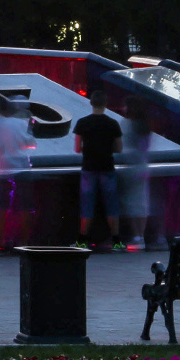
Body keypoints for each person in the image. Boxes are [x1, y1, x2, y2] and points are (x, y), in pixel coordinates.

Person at [72, 88, 123, 251]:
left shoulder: (82, 123)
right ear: (105, 104)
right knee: (111, 205)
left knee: (87, 205)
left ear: (91, 103)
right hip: (107, 167)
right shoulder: (112, 123)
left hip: (88, 168)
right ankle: (116, 240)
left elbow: (77, 148)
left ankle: (82, 240)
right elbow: (119, 148)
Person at [118, 94, 156, 251]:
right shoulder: (145, 125)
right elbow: (145, 148)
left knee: (130, 203)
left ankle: (135, 237)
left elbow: (120, 146)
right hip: (143, 166)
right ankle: (140, 236)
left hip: (130, 167)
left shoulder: (126, 124)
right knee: (141, 203)